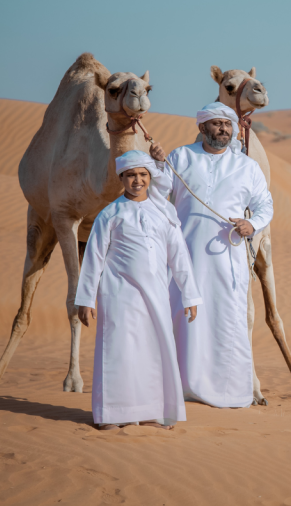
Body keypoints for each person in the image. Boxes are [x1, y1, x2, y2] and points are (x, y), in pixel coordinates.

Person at [150, 102, 273, 408]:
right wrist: (156, 164)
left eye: (228, 125)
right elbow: (158, 191)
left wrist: (252, 223)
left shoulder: (247, 167)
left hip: (227, 258)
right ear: (202, 128)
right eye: (216, 124)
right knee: (183, 317)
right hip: (184, 255)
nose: (223, 130)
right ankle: (181, 387)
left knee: (226, 319)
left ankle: (229, 391)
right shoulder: (181, 157)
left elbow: (265, 205)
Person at [74, 150, 202, 430]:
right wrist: (86, 299)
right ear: (122, 178)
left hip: (156, 296)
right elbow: (94, 257)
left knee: (154, 353)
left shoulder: (163, 213)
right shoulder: (110, 214)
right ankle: (112, 414)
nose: (137, 180)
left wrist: (190, 294)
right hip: (119, 295)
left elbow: (179, 257)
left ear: (150, 177)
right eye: (131, 175)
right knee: (119, 352)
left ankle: (153, 413)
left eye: (143, 174)